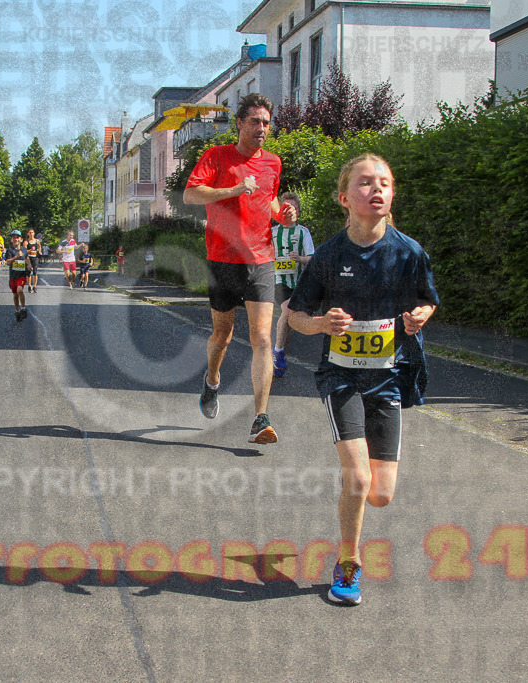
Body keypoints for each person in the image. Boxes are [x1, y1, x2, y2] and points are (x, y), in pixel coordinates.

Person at [287, 154, 439, 606]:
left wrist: (418, 317)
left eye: (385, 183)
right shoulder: (329, 256)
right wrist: (320, 325)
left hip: (387, 378)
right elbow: (294, 315)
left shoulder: (408, 252)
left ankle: (352, 540)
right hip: (341, 377)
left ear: (391, 196)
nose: (377, 190)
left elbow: (429, 301)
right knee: (356, 478)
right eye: (365, 183)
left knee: (382, 496)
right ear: (344, 198)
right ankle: (348, 564)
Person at [183, 93, 296, 444]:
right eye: (255, 121)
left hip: (261, 259)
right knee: (223, 336)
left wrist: (283, 214)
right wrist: (231, 189)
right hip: (222, 260)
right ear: (240, 124)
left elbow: (270, 199)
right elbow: (190, 194)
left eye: (266, 122)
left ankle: (260, 418)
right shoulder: (217, 157)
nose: (262, 128)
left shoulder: (273, 163)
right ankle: (212, 381)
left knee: (262, 338)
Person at [271, 191, 315, 377]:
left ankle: (278, 355)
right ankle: (278, 352)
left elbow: (312, 259)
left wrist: (300, 259)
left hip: (297, 281)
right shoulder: (272, 232)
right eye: (286, 207)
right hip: (277, 280)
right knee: (288, 311)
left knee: (290, 319)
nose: (290, 211)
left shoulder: (303, 232)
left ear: (298, 211)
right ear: (279, 210)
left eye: (294, 208)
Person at [2, 230, 29, 321]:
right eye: (14, 238)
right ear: (11, 240)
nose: (15, 239)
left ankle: (23, 308)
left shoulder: (24, 249)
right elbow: (8, 262)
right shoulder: (10, 250)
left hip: (22, 275)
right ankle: (17, 310)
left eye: (17, 237)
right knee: (15, 295)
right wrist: (16, 257)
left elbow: (26, 257)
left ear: (21, 239)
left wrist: (29, 264)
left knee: (20, 289)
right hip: (13, 276)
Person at [25, 228, 41, 293]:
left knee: (35, 272)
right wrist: (30, 250)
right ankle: (29, 286)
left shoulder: (37, 241)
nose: (31, 234)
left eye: (32, 232)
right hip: (28, 258)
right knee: (28, 272)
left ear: (34, 233)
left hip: (35, 257)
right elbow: (24, 251)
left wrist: (39, 251)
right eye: (30, 232)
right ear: (28, 234)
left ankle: (34, 286)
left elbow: (39, 246)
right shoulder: (26, 242)